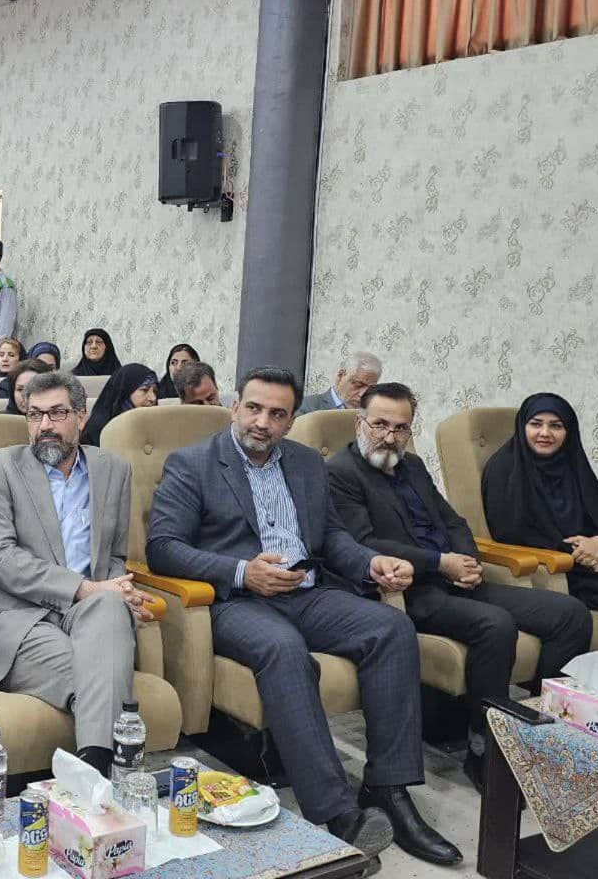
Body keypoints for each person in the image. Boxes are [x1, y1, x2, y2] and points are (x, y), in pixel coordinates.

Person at [146, 366, 461, 867]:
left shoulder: (308, 463)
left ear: (292, 421)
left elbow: (331, 537)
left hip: (308, 592)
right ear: (234, 408)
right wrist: (243, 572)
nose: (262, 422)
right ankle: (338, 812)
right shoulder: (193, 464)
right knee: (284, 648)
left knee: (391, 627)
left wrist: (370, 562)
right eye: (253, 408)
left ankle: (389, 788)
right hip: (236, 600)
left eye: (277, 414)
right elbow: (163, 547)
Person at [329, 383, 592, 791]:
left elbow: (452, 522)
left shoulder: (413, 466)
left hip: (456, 579)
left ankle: (542, 737)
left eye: (401, 428)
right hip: (408, 590)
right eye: (380, 424)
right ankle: (483, 749)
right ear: (359, 423)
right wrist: (440, 563)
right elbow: (365, 544)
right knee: (495, 624)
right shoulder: (341, 473)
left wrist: (467, 562)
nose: (390, 436)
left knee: (571, 615)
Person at [0, 370, 153, 775]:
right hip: (14, 618)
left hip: (88, 612)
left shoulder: (113, 469)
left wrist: (119, 591)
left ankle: (90, 782)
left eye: (57, 413)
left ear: (82, 416)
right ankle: (103, 773)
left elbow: (115, 555)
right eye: (35, 415)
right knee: (100, 677)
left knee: (110, 607)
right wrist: (84, 588)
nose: (44, 425)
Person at [483, 393, 598, 662]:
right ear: (523, 426)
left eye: (556, 426)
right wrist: (580, 553)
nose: (545, 433)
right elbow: (510, 532)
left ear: (568, 431)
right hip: (559, 569)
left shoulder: (571, 463)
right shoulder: (504, 469)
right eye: (536, 424)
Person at [80, 364, 158, 446]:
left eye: (155, 391)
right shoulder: (97, 431)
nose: (153, 398)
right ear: (125, 392)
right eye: (144, 390)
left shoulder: (158, 425)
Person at [299, 351, 382, 414]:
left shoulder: (372, 414)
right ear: (340, 376)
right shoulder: (307, 406)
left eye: (370, 388)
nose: (362, 394)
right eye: (358, 385)